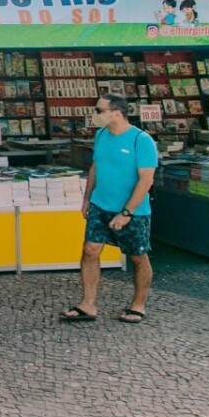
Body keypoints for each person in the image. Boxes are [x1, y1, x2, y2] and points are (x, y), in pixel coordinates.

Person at [60, 94, 157, 324]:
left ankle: (138, 304)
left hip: (132, 212)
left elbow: (146, 181)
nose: (94, 115)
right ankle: (88, 304)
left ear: (116, 113)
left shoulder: (141, 141)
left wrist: (126, 213)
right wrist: (87, 199)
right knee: (90, 251)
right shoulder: (101, 135)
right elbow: (96, 166)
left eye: (98, 110)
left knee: (138, 257)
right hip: (100, 205)